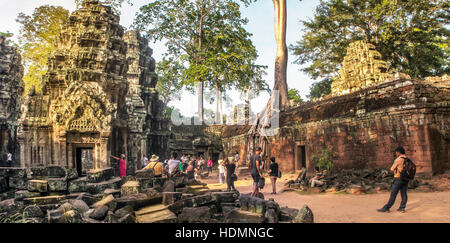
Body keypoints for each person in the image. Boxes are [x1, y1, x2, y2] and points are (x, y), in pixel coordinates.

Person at [378, 146, 410, 213]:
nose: (396, 153)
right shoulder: (407, 159)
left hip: (398, 179)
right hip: (405, 179)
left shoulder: (398, 159)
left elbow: (392, 168)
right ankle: (402, 207)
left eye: (396, 152)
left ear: (398, 152)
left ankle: (387, 207)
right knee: (404, 194)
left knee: (393, 194)